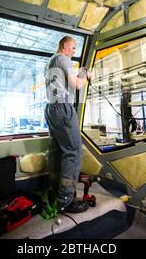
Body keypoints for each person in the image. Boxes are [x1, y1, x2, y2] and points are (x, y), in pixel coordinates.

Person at [44, 36, 91, 214]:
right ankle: (66, 200)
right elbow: (77, 85)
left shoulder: (51, 62)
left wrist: (79, 73)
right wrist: (85, 73)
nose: (74, 51)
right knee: (73, 152)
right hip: (63, 108)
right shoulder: (63, 59)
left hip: (51, 108)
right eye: (72, 48)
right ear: (64, 46)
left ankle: (54, 192)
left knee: (57, 152)